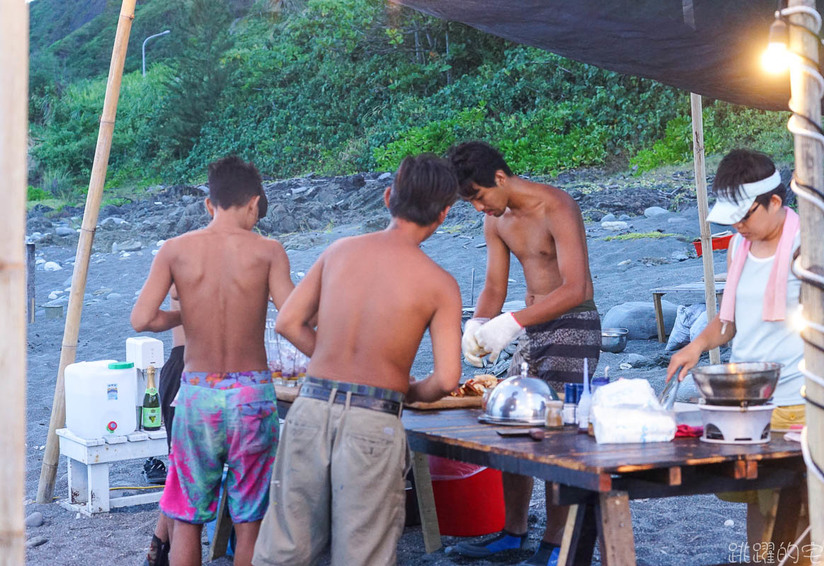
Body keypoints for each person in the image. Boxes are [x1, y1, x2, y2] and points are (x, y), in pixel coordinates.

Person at [252, 153, 462, 566]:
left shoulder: (339, 251)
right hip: (373, 420)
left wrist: (330, 360)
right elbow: (449, 377)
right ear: (444, 214)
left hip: (310, 409)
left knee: (284, 553)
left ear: (387, 197)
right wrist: (409, 391)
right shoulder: (440, 285)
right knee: (361, 556)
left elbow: (290, 322)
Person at [666, 148, 824, 557]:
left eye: (744, 216)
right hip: (747, 407)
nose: (737, 225)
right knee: (758, 511)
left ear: (775, 203)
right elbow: (729, 323)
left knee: (807, 517)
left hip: (801, 402)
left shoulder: (812, 249)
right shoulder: (739, 248)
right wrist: (694, 347)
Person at [131, 155, 294, 566]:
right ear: (254, 204)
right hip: (252, 396)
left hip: (198, 395)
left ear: (209, 204)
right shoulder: (269, 251)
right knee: (250, 518)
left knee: (187, 515)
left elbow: (143, 319)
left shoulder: (175, 250)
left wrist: (189, 313)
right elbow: (291, 319)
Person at [447, 141, 601, 566]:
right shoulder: (497, 221)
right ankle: (512, 533)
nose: (479, 207)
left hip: (574, 324)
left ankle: (554, 545)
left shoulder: (557, 205)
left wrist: (513, 323)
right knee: (510, 420)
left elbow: (576, 288)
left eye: (479, 196)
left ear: (500, 178)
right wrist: (477, 326)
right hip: (531, 325)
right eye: (471, 201)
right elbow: (495, 287)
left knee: (555, 435)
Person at [143, 286, 184, 566]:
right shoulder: (189, 261)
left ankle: (158, 549)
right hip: (186, 368)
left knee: (180, 473)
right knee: (181, 474)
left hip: (186, 369)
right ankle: (159, 550)